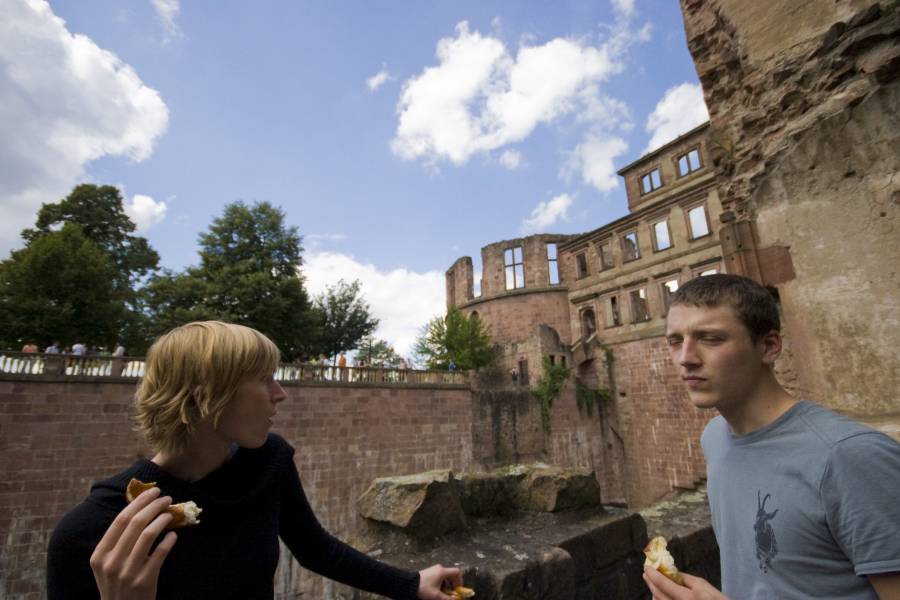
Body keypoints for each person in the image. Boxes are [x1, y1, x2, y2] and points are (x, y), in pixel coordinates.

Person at [47, 321, 462, 600]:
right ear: (205, 395)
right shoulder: (90, 533)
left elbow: (315, 549)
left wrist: (410, 584)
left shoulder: (270, 461)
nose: (280, 394)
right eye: (264, 378)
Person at [645, 274, 900, 600]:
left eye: (710, 338)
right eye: (675, 341)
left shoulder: (849, 457)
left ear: (769, 346)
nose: (685, 358)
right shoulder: (715, 440)